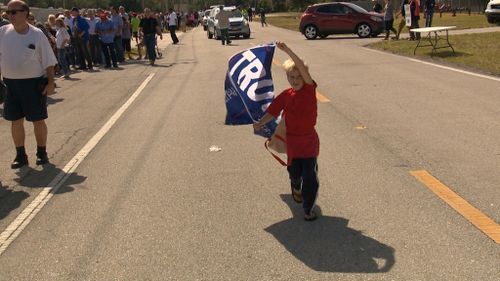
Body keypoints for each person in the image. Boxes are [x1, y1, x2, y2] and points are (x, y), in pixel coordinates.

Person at [253, 42, 320, 221]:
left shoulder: (309, 90)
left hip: (309, 142)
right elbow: (272, 112)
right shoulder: (286, 95)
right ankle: (295, 185)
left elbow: (303, 72)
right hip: (293, 142)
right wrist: (260, 123)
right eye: (292, 77)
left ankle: (308, 209)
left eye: (299, 76)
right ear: (288, 78)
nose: (296, 79)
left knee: (310, 175)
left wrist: (288, 51)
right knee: (294, 172)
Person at [0, 0, 58, 169]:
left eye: (14, 12)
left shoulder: (37, 34)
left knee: (38, 120)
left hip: (33, 84)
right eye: (8, 12)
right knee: (15, 121)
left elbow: (48, 61)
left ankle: (41, 152)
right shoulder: (2, 32)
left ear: (25, 13)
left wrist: (51, 82)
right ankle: (20, 155)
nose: (10, 15)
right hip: (11, 85)